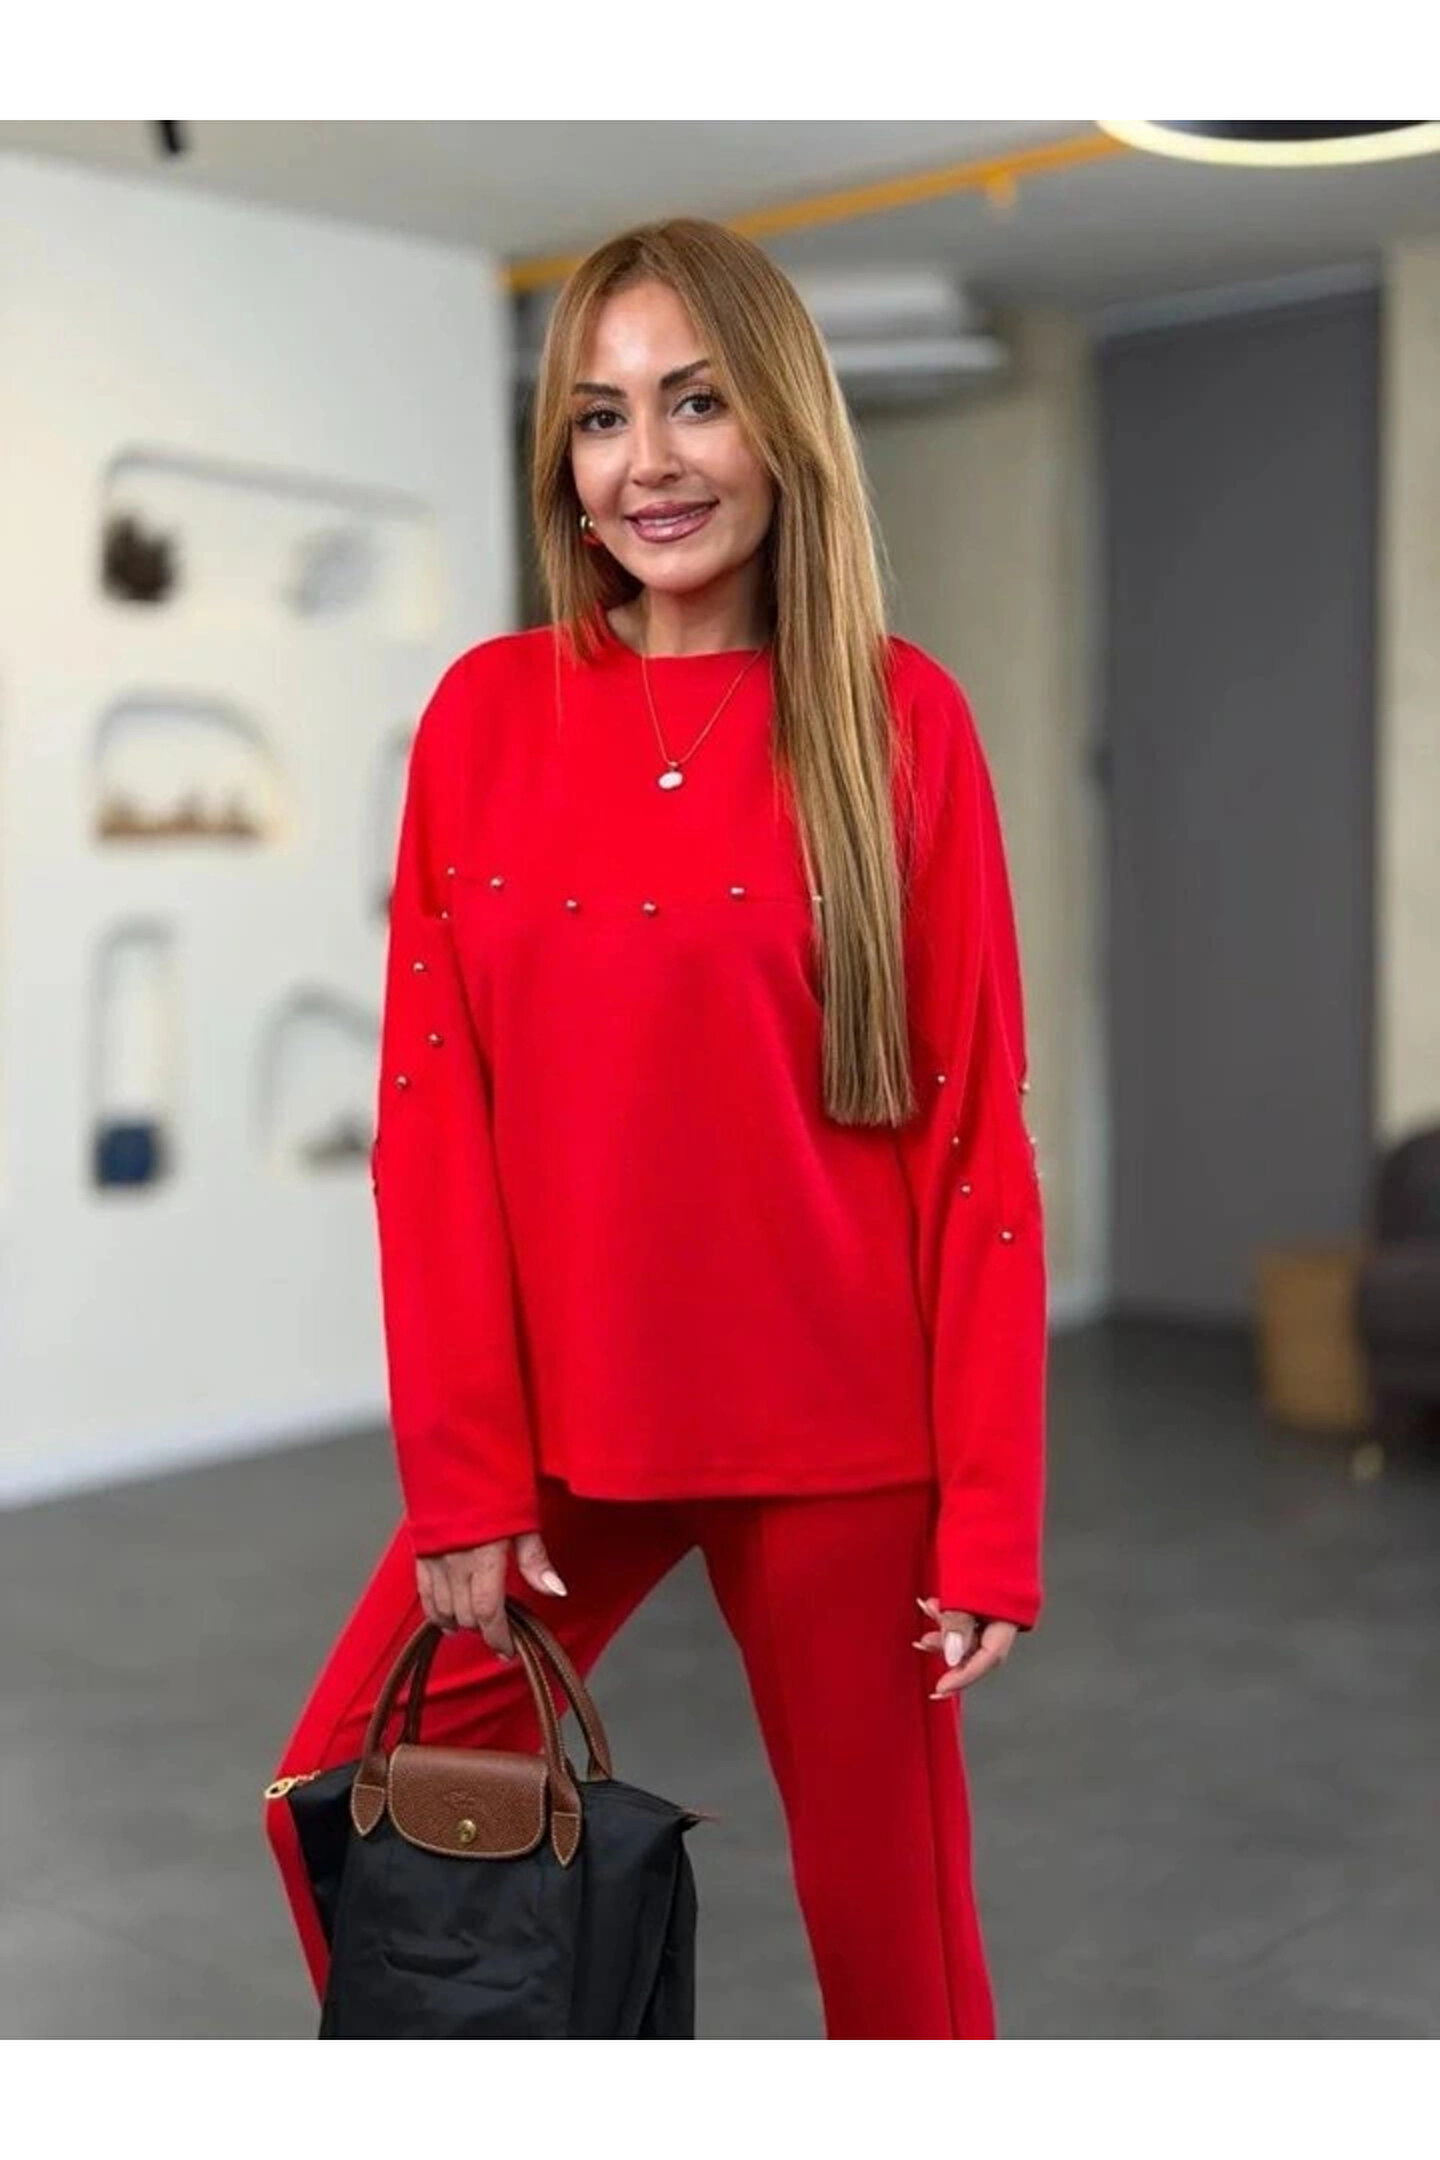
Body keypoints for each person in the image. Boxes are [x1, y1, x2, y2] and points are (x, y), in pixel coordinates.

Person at [263, 215, 1048, 2041]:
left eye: (697, 402)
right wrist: (464, 1476)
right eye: (602, 417)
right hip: (560, 1436)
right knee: (350, 1809)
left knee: (897, 1948)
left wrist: (990, 1514)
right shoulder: (486, 715)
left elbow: (971, 1149)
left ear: (781, 422)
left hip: (847, 1443)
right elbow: (431, 1126)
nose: (650, 463)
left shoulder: (900, 721)